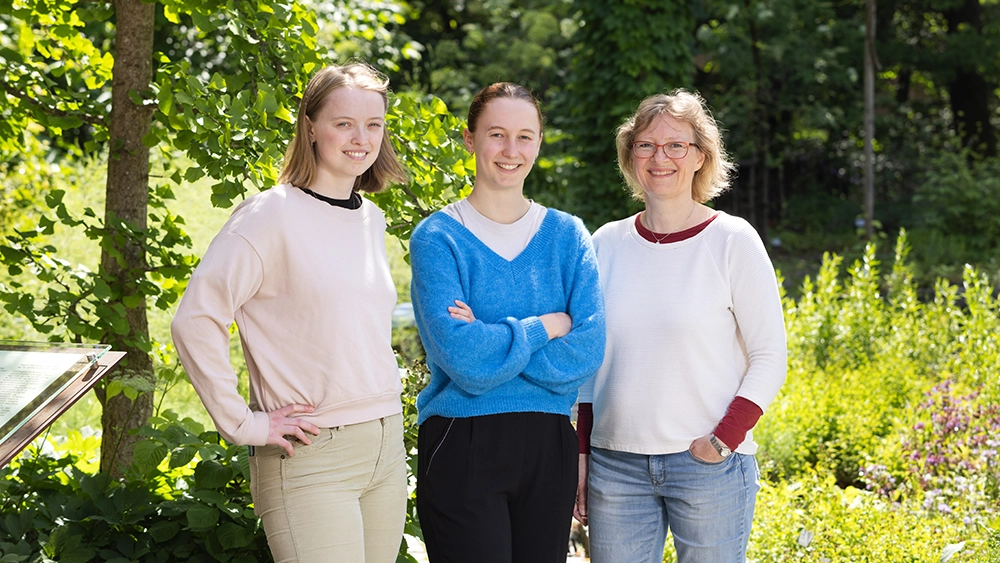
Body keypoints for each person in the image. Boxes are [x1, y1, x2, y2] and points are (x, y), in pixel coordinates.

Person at [171, 63, 409, 563]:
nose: (360, 138)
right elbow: (195, 319)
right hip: (311, 454)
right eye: (343, 123)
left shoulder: (370, 218)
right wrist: (243, 424)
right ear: (310, 127)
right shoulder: (270, 214)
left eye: (374, 124)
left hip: (384, 449)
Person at [574, 89, 787, 563]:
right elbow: (589, 361)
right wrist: (583, 452)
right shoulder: (605, 243)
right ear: (631, 156)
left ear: (700, 157)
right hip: (616, 465)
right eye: (646, 145)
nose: (660, 157)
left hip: (707, 464)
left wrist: (724, 439)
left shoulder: (733, 241)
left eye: (676, 145)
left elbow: (770, 355)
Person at [409, 82, 606, 563]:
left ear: (539, 142)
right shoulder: (438, 238)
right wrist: (545, 326)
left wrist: (492, 336)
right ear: (469, 139)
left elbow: (587, 351)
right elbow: (466, 361)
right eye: (496, 134)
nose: (510, 150)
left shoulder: (567, 234)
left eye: (525, 136)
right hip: (463, 440)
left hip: (549, 444)